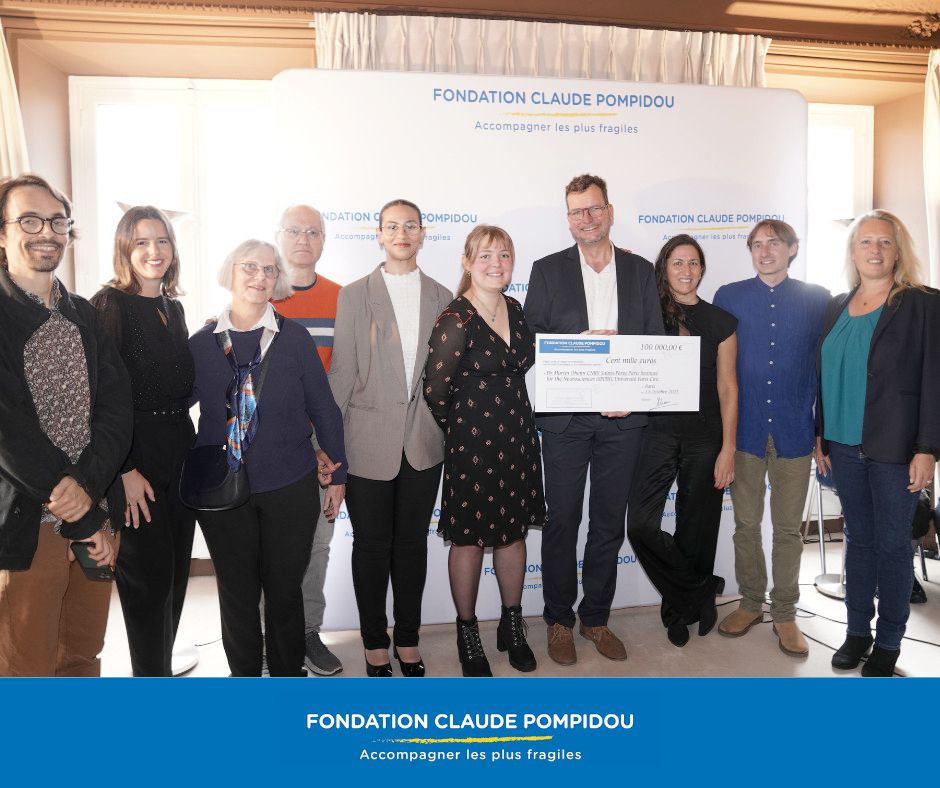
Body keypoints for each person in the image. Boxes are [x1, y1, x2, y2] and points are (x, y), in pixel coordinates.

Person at [523, 174, 664, 666]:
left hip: (623, 420)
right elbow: (530, 339)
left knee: (607, 523)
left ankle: (596, 618)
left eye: (595, 208)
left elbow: (654, 339)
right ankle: (559, 620)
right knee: (562, 521)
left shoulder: (640, 270)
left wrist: (633, 392)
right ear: (568, 219)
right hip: (565, 418)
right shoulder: (546, 270)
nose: (587, 218)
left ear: (610, 211)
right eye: (577, 211)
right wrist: (575, 346)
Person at [189, 239, 346, 677]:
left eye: (269, 269)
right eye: (249, 267)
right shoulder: (201, 343)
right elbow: (171, 405)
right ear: (230, 272)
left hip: (289, 485)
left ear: (278, 279)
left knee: (284, 592)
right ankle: (244, 682)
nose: (260, 277)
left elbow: (323, 407)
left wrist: (339, 473)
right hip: (223, 490)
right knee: (236, 594)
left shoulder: (294, 338)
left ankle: (286, 679)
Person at [0, 173, 131, 676]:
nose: (47, 233)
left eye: (58, 221)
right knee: (26, 667)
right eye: (29, 221)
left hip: (95, 513)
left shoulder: (83, 313)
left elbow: (116, 410)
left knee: (81, 654)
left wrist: (89, 493)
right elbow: (9, 433)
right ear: (3, 233)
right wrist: (77, 511)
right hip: (29, 524)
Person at [329, 198, 452, 676]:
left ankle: (408, 638)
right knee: (371, 546)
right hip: (366, 441)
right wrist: (327, 447)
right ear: (378, 234)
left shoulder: (443, 296)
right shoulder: (354, 295)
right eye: (392, 226)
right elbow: (342, 372)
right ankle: (374, 641)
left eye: (411, 226)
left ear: (423, 234)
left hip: (424, 442)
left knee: (412, 546)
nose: (402, 234)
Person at [815, 210, 939, 677]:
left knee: (892, 546)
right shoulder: (836, 305)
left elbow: (934, 379)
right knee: (859, 542)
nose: (875, 249)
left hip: (896, 450)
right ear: (852, 251)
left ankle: (888, 641)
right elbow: (826, 374)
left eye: (885, 241)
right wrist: (820, 433)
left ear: (898, 250)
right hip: (843, 446)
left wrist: (928, 448)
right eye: (866, 241)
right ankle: (856, 633)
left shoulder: (923, 303)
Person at [424, 225, 545, 676]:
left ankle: (512, 624)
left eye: (504, 255)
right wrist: (464, 429)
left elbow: (528, 362)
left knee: (513, 534)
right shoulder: (456, 318)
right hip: (472, 441)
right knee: (470, 539)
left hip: (518, 437)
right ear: (467, 261)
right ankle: (468, 631)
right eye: (486, 255)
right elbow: (435, 390)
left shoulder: (515, 308)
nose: (496, 264)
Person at [713, 220, 830, 657]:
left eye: (774, 243)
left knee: (786, 530)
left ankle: (784, 613)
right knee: (745, 524)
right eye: (757, 245)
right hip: (742, 432)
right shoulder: (729, 296)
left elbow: (825, 370)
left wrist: (822, 432)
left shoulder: (818, 300)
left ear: (792, 248)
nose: (765, 252)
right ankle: (749, 603)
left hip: (794, 430)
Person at [90, 206, 195, 677]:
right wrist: (124, 469)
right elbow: (99, 395)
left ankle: (160, 673)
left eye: (162, 241)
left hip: (181, 453)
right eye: (141, 242)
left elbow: (180, 385)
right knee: (147, 584)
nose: (154, 251)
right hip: (136, 458)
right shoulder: (109, 305)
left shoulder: (173, 308)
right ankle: (150, 687)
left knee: (174, 578)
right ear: (124, 249)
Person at [626, 235, 738, 647]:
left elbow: (728, 388)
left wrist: (728, 449)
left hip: (706, 435)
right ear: (664, 268)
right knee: (640, 525)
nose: (686, 270)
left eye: (693, 263)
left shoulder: (721, 322)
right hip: (655, 432)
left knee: (697, 529)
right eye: (677, 262)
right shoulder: (646, 314)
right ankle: (700, 590)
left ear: (702, 269)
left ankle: (678, 613)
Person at [272, 204, 344, 676]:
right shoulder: (260, 290)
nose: (304, 239)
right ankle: (269, 636)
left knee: (318, 543)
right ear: (279, 236)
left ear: (323, 240)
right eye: (294, 231)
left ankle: (307, 632)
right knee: (272, 544)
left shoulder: (343, 298)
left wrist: (331, 448)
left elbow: (346, 375)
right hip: (272, 435)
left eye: (313, 231)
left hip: (325, 433)